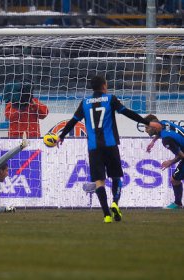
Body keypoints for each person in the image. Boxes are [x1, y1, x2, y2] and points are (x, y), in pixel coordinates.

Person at [57, 75, 161, 223]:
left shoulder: (85, 103)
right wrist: (147, 122)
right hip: (110, 145)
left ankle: (106, 215)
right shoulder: (110, 99)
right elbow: (127, 113)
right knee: (116, 176)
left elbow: (73, 121)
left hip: (94, 148)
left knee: (99, 181)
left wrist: (62, 136)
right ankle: (115, 203)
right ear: (104, 86)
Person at [144, 114, 184, 209]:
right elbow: (159, 133)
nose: (145, 130)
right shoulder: (164, 123)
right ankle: (178, 203)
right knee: (175, 179)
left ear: (154, 127)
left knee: (174, 180)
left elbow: (182, 156)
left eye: (147, 127)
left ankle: (178, 204)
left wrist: (170, 162)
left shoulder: (166, 140)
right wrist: (153, 141)